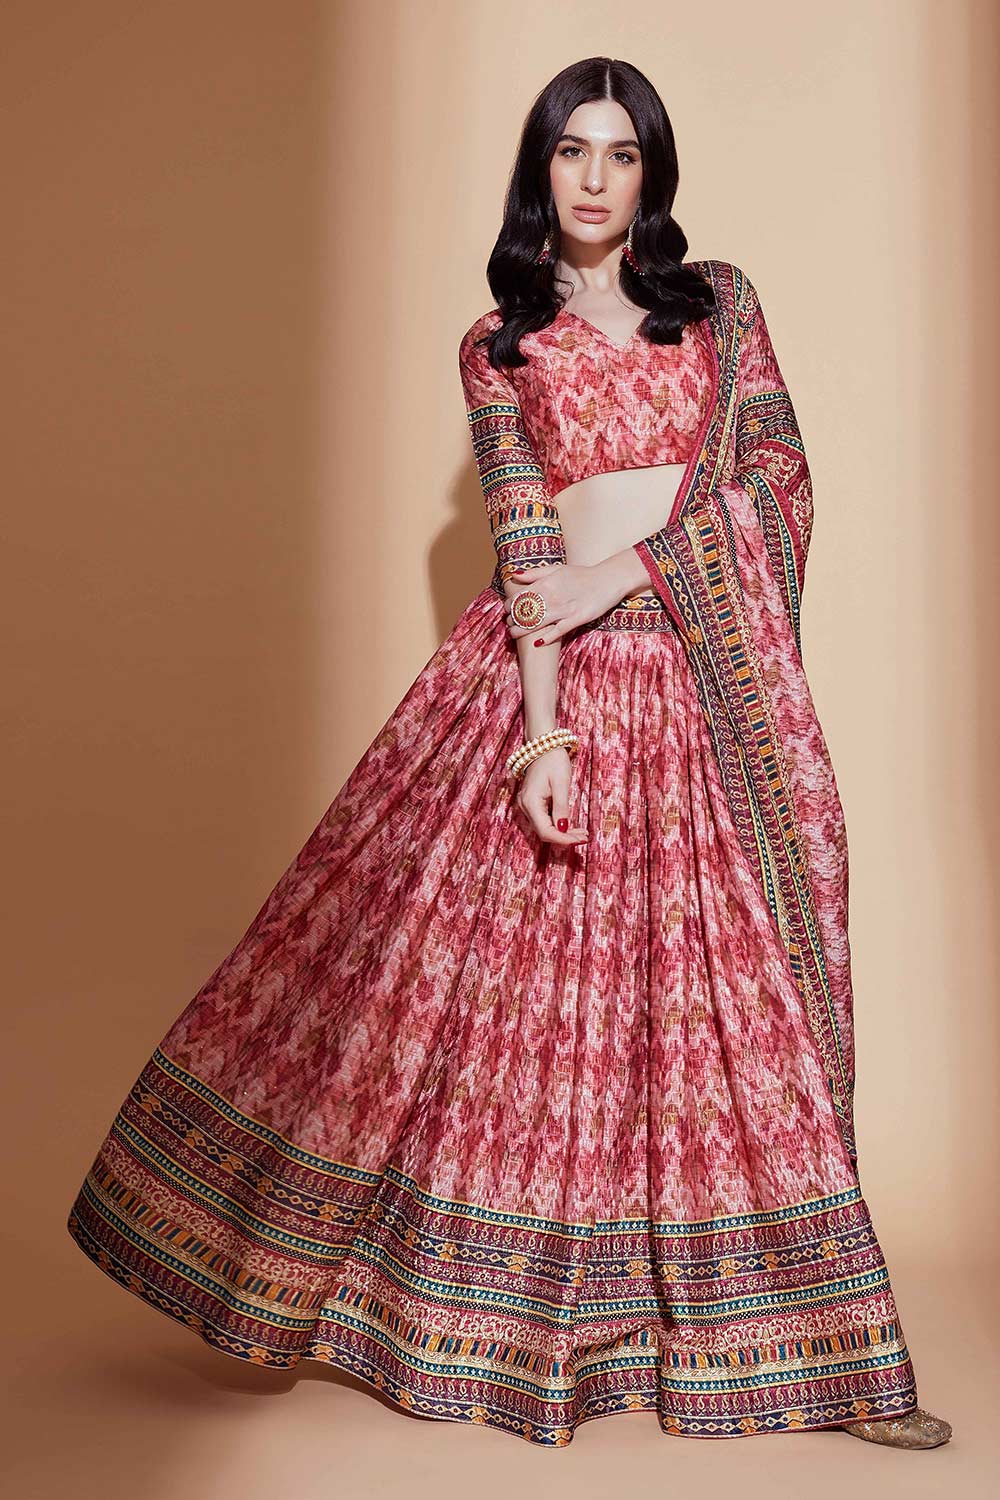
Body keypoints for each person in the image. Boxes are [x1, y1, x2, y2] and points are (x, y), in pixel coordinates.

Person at [66, 56, 952, 1450]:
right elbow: (527, 543)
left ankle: (834, 1363)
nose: (595, 177)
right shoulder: (501, 345)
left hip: (707, 683)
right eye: (570, 151)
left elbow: (776, 485)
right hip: (564, 684)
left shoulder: (719, 307)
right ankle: (510, 1333)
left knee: (736, 1022)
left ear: (652, 174)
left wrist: (629, 573)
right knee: (481, 1004)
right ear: (540, 170)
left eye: (621, 152)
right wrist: (541, 735)